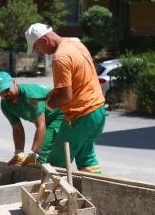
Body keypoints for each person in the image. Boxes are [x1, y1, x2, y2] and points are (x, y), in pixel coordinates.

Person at [25, 23, 106, 173]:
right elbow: (77, 81)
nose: (39, 52)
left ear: (44, 40)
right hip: (98, 111)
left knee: (55, 163)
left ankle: (51, 188)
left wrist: (46, 106)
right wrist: (52, 94)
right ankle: (97, 187)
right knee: (87, 159)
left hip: (81, 116)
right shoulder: (76, 43)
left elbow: (65, 97)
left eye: (37, 47)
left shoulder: (60, 57)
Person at [0, 71, 64, 165]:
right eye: (1, 92)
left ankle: (42, 170)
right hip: (46, 119)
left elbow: (41, 126)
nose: (6, 93)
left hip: (60, 114)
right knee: (42, 152)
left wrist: (34, 153)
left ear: (14, 82)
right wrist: (19, 153)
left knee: (41, 152)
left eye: (7, 89)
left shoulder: (29, 96)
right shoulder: (5, 105)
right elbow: (17, 129)